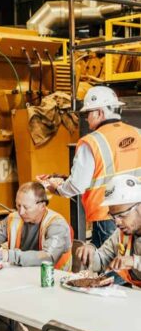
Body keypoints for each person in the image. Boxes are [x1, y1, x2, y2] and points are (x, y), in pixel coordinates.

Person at [0, 182, 73, 331]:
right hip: (18, 283)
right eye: (18, 205)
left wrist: (10, 256)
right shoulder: (13, 218)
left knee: (33, 314)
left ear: (42, 205)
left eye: (26, 207)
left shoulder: (57, 224)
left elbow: (48, 256)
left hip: (51, 287)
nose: (20, 212)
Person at [41, 86, 140, 247]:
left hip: (108, 216)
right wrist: (67, 178)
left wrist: (57, 188)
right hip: (136, 214)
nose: (86, 118)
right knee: (131, 263)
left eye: (88, 113)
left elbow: (77, 185)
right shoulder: (137, 133)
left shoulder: (91, 142)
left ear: (99, 112)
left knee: (107, 264)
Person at [76, 174, 141, 286]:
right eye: (113, 216)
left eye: (122, 215)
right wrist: (90, 253)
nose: (117, 222)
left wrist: (135, 261)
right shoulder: (122, 235)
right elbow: (102, 260)